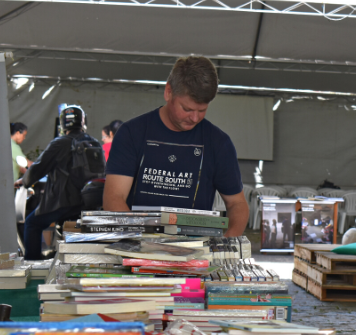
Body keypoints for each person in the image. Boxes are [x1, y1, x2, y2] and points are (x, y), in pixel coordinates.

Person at [103, 56, 249, 236]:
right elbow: (113, 198)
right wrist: (140, 244)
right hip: (137, 248)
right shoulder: (132, 133)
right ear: (168, 92)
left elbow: (237, 204)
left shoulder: (218, 143)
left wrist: (227, 243)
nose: (195, 118)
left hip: (196, 255)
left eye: (202, 110)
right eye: (187, 109)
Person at [15, 106, 101, 260]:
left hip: (63, 201)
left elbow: (38, 168)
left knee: (32, 224)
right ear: (83, 122)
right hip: (89, 201)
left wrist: (24, 181)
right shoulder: (93, 143)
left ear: (62, 125)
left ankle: (33, 262)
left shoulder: (59, 143)